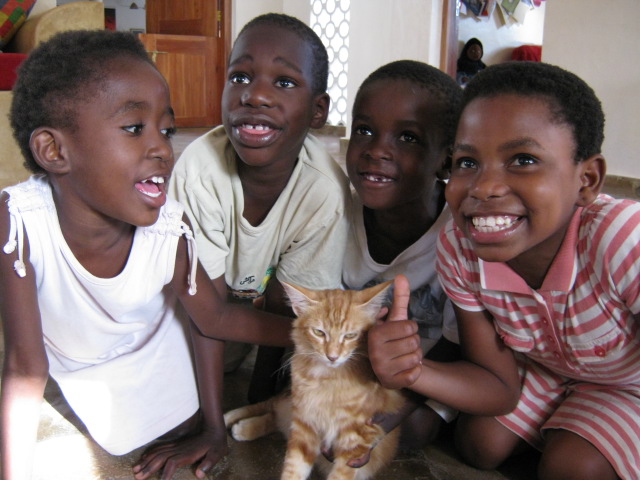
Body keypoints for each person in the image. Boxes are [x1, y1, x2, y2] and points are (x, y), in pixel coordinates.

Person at [1, 30, 294, 480]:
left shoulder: (169, 228)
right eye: (134, 128)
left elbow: (213, 318)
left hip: (157, 348)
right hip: (82, 364)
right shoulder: (20, 223)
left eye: (166, 129)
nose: (162, 149)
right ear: (54, 150)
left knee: (179, 425)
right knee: (117, 437)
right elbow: (25, 366)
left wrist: (214, 427)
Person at [369, 61, 640, 480]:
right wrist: (412, 370)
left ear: (587, 179)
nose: (484, 187)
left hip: (628, 384)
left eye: (523, 160)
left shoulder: (623, 239)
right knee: (479, 444)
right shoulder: (461, 248)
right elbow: (495, 385)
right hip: (547, 368)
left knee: (571, 467)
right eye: (466, 162)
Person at [169, 14, 350, 402]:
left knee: (305, 376)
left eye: (284, 83)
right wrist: (211, 419)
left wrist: (260, 397)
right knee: (182, 377)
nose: (255, 96)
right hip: (193, 308)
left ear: (318, 110)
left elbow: (290, 307)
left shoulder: (324, 192)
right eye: (240, 77)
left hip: (243, 314)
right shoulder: (200, 173)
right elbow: (209, 316)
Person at [342, 60, 462, 447]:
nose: (377, 150)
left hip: (429, 371)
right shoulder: (335, 213)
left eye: (407, 137)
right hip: (351, 362)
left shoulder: (460, 234)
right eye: (364, 131)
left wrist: (387, 417)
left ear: (445, 159)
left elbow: (455, 343)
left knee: (413, 431)